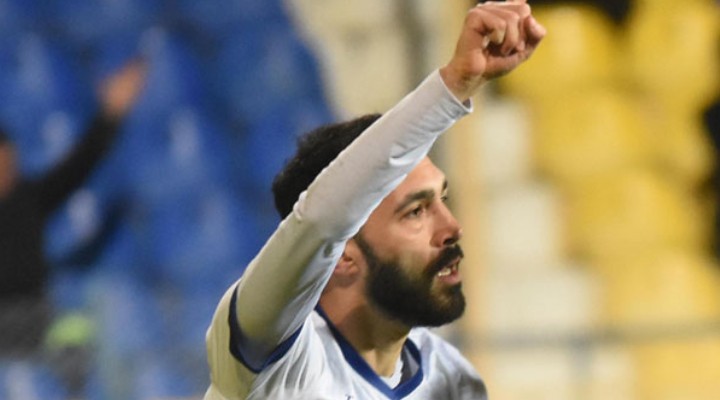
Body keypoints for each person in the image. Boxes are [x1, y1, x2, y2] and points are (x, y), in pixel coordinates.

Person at [204, 1, 546, 399]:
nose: (452, 228)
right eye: (415, 211)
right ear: (342, 253)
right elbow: (321, 220)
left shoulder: (453, 380)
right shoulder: (275, 358)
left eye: (442, 200)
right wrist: (452, 85)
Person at [0, 60, 146, 358]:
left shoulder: (29, 198)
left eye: (9, 160)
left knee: (79, 338)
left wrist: (110, 114)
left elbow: (81, 163)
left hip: (37, 320)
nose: (7, 169)